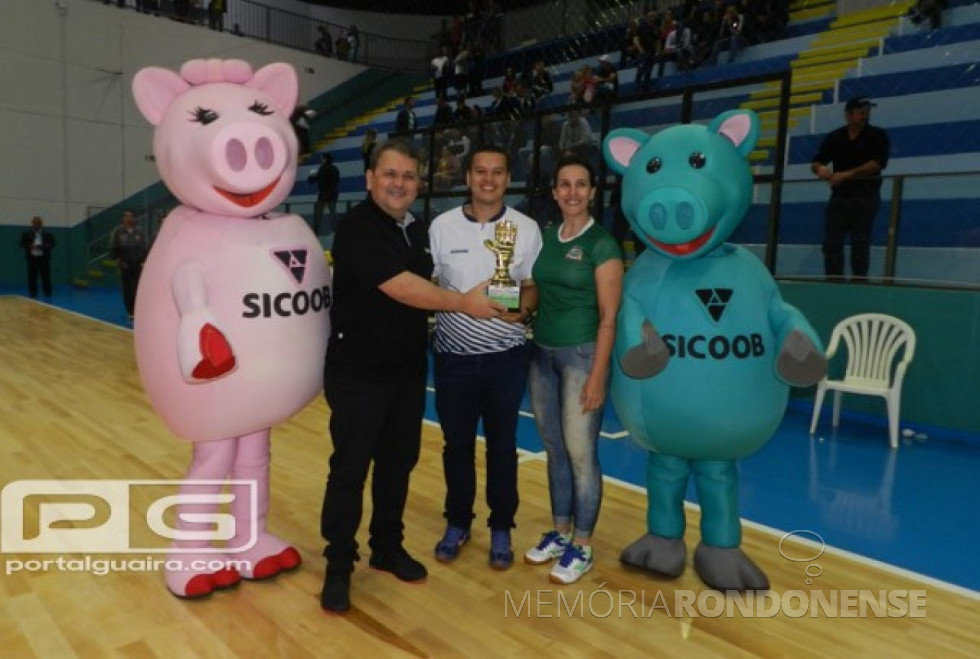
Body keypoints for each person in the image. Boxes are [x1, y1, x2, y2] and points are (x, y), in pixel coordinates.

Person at [319, 139, 503, 613]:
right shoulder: (356, 227)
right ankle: (339, 565)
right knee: (350, 471)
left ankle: (385, 548)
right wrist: (466, 303)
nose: (399, 184)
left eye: (408, 177)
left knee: (397, 465)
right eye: (390, 174)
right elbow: (400, 287)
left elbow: (433, 281)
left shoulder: (416, 229)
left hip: (405, 372)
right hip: (358, 373)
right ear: (371, 179)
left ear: (417, 184)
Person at [429, 145, 543, 571]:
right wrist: (457, 303)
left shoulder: (526, 228)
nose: (489, 180)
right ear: (468, 176)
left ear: (507, 176)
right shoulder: (441, 227)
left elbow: (530, 286)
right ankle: (458, 522)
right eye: (480, 172)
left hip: (505, 360)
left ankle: (502, 527)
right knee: (456, 446)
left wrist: (525, 308)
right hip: (453, 360)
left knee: (503, 447)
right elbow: (432, 285)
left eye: (497, 172)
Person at [523, 155, 623, 584]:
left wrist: (598, 374)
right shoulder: (544, 237)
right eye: (564, 184)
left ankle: (582, 545)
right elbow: (533, 290)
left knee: (582, 455)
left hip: (582, 357)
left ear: (593, 192)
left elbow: (609, 317)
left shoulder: (603, 245)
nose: (572, 193)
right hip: (541, 355)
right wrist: (518, 310)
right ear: (554, 192)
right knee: (555, 449)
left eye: (581, 185)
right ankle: (560, 532)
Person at [810, 97, 890, 281]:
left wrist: (846, 174)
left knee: (860, 241)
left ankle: (859, 282)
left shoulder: (878, 135)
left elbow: (877, 164)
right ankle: (834, 281)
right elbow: (817, 161)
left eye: (867, 112)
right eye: (861, 112)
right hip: (840, 195)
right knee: (832, 241)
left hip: (865, 195)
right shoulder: (835, 137)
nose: (865, 115)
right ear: (848, 114)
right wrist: (821, 169)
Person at [109, 210, 148, 319]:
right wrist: (119, 261)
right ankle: (130, 311)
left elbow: (144, 247)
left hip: (138, 264)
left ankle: (137, 310)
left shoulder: (139, 232)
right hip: (124, 264)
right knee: (127, 289)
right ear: (123, 218)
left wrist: (143, 260)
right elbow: (113, 248)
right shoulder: (118, 231)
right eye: (126, 216)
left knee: (137, 288)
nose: (129, 218)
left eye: (131, 216)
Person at [19, 216, 55, 298]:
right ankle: (33, 292)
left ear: (41, 224)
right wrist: (30, 246)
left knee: (45, 276)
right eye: (35, 224)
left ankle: (47, 292)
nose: (36, 225)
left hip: (44, 258)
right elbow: (22, 244)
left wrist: (43, 246)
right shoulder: (26, 233)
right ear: (32, 224)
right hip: (32, 258)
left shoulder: (48, 233)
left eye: (38, 224)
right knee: (32, 276)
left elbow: (52, 244)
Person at [309, 152, 339, 235]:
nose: (321, 160)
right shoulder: (335, 169)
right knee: (333, 215)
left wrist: (312, 176)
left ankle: (316, 233)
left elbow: (318, 180)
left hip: (323, 195)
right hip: (333, 195)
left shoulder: (322, 169)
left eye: (322, 158)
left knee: (318, 216)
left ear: (325, 159)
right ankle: (337, 232)